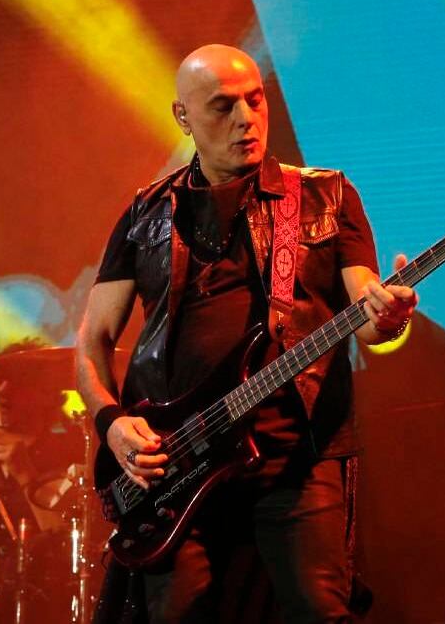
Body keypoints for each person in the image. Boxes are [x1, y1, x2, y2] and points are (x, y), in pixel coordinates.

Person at [76, 44, 417, 623]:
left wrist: (388, 317)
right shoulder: (145, 214)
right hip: (177, 464)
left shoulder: (326, 196)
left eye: (255, 101)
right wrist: (111, 424)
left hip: (296, 459)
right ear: (183, 116)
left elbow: (367, 314)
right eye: (223, 106)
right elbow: (92, 341)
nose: (246, 119)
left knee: (319, 611)